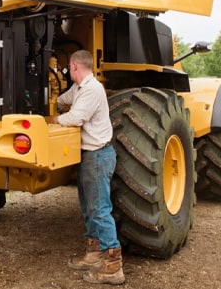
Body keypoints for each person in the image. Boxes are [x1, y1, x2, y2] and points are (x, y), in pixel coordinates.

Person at [50, 49, 125, 285]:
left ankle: (113, 265)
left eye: (68, 67)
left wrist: (52, 119)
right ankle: (94, 253)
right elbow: (63, 100)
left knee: (100, 210)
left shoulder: (92, 89)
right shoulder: (79, 88)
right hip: (88, 157)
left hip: (98, 155)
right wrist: (50, 101)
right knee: (89, 208)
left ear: (73, 67)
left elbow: (75, 117)